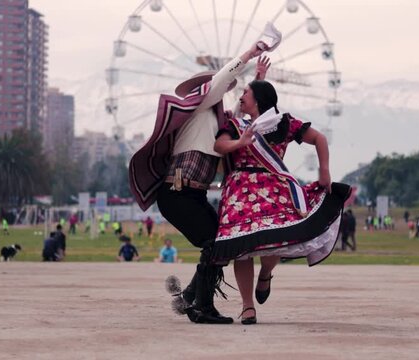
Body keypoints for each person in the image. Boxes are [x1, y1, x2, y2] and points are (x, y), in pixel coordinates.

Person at [129, 40, 268, 324]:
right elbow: (221, 79)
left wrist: (259, 82)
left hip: (191, 195)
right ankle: (201, 306)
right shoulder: (199, 107)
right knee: (216, 244)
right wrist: (250, 54)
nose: (221, 90)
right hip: (178, 193)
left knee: (223, 242)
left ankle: (193, 295)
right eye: (215, 87)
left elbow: (241, 121)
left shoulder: (216, 120)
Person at [211, 79, 351, 324]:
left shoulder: (283, 123)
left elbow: (319, 139)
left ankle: (265, 273)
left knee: (277, 237)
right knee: (242, 247)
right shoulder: (235, 124)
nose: (241, 96)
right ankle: (247, 306)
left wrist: (325, 171)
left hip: (275, 188)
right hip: (240, 192)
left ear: (258, 99)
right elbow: (219, 145)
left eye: (246, 92)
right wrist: (239, 143)